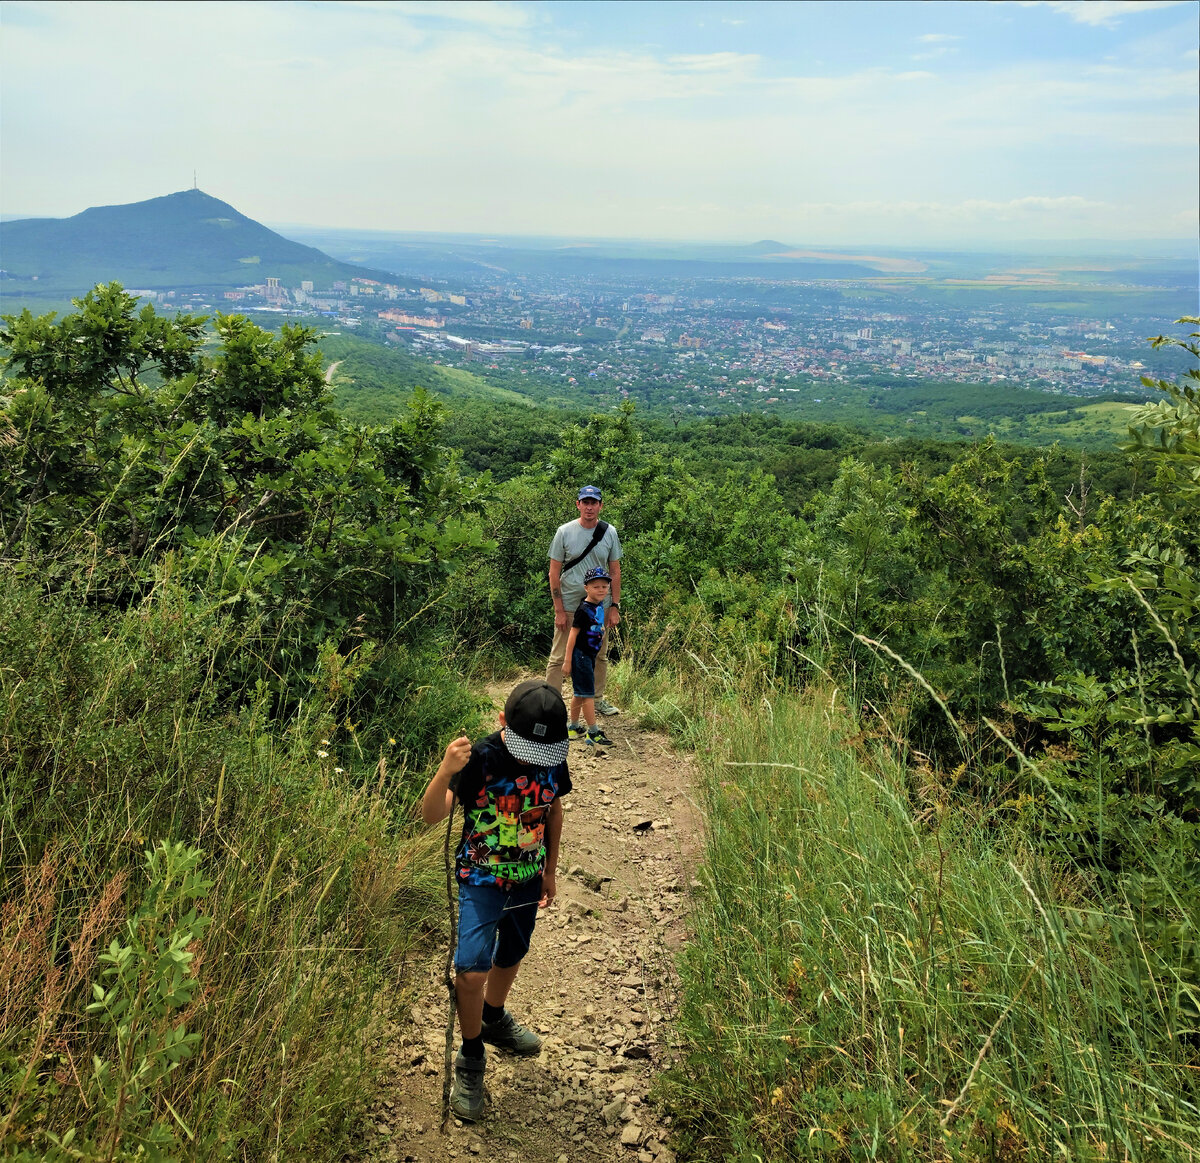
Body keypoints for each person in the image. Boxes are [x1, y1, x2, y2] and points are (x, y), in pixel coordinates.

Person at [420, 679, 571, 1124]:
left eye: (541, 754)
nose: (532, 761)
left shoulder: (553, 758)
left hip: (527, 880)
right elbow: (430, 816)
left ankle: (494, 1016)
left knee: (513, 952)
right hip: (481, 880)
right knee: (471, 970)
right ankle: (471, 1058)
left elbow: (553, 810)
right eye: (526, 748)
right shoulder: (481, 759)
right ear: (501, 722)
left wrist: (549, 871)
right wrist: (446, 771)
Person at [547, 485, 622, 715]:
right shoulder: (564, 532)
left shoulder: (609, 532)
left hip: (600, 606)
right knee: (559, 655)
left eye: (594, 502)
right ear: (578, 504)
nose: (589, 507)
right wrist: (559, 610)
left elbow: (615, 571)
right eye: (585, 502)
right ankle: (551, 705)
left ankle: (597, 699)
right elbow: (553, 573)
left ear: (600, 505)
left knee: (598, 653)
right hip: (570, 604)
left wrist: (614, 606)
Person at [563, 565, 615, 747]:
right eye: (596, 586)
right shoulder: (584, 609)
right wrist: (568, 660)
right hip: (581, 656)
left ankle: (573, 726)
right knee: (588, 695)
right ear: (586, 588)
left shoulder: (598, 605)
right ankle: (592, 732)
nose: (601, 590)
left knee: (579, 692)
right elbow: (572, 634)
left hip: (589, 655)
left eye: (604, 586)